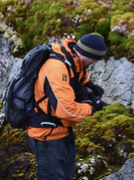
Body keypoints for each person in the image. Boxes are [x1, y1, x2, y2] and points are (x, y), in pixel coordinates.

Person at [26, 33, 107, 180]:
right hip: (47, 135)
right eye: (94, 59)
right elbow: (65, 110)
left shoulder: (74, 63)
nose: (94, 63)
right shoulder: (57, 67)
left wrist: (89, 88)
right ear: (86, 53)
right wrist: (92, 108)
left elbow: (77, 83)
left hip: (62, 131)